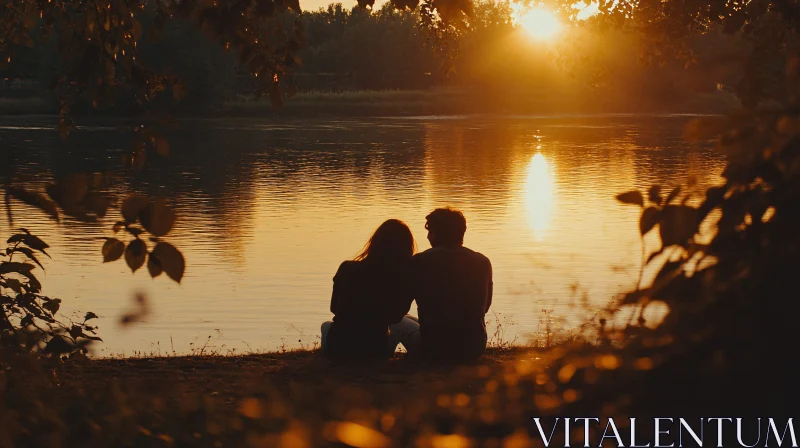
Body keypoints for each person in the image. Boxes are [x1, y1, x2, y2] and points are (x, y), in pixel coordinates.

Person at [320, 219, 419, 360]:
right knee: (401, 323)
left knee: (326, 325)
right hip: (374, 351)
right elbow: (395, 317)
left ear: (375, 242)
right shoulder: (400, 276)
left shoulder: (347, 268)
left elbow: (334, 308)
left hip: (338, 348)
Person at [405, 208, 493, 362]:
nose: (427, 236)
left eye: (430, 231)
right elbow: (484, 308)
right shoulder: (482, 262)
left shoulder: (419, 261)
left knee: (399, 321)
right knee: (410, 320)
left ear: (435, 233)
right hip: (474, 347)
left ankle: (380, 360)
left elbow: (401, 307)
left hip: (434, 348)